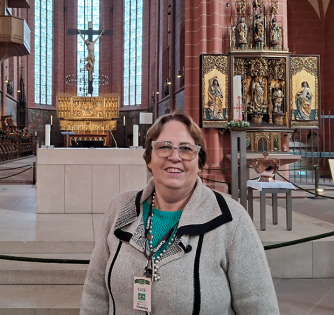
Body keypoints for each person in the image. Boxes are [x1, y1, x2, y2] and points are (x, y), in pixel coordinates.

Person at [80, 111, 279, 315]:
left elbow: (258, 306)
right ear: (149, 158)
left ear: (199, 163)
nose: (174, 157)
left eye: (186, 149)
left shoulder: (232, 219)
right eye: (164, 147)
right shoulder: (119, 208)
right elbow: (95, 292)